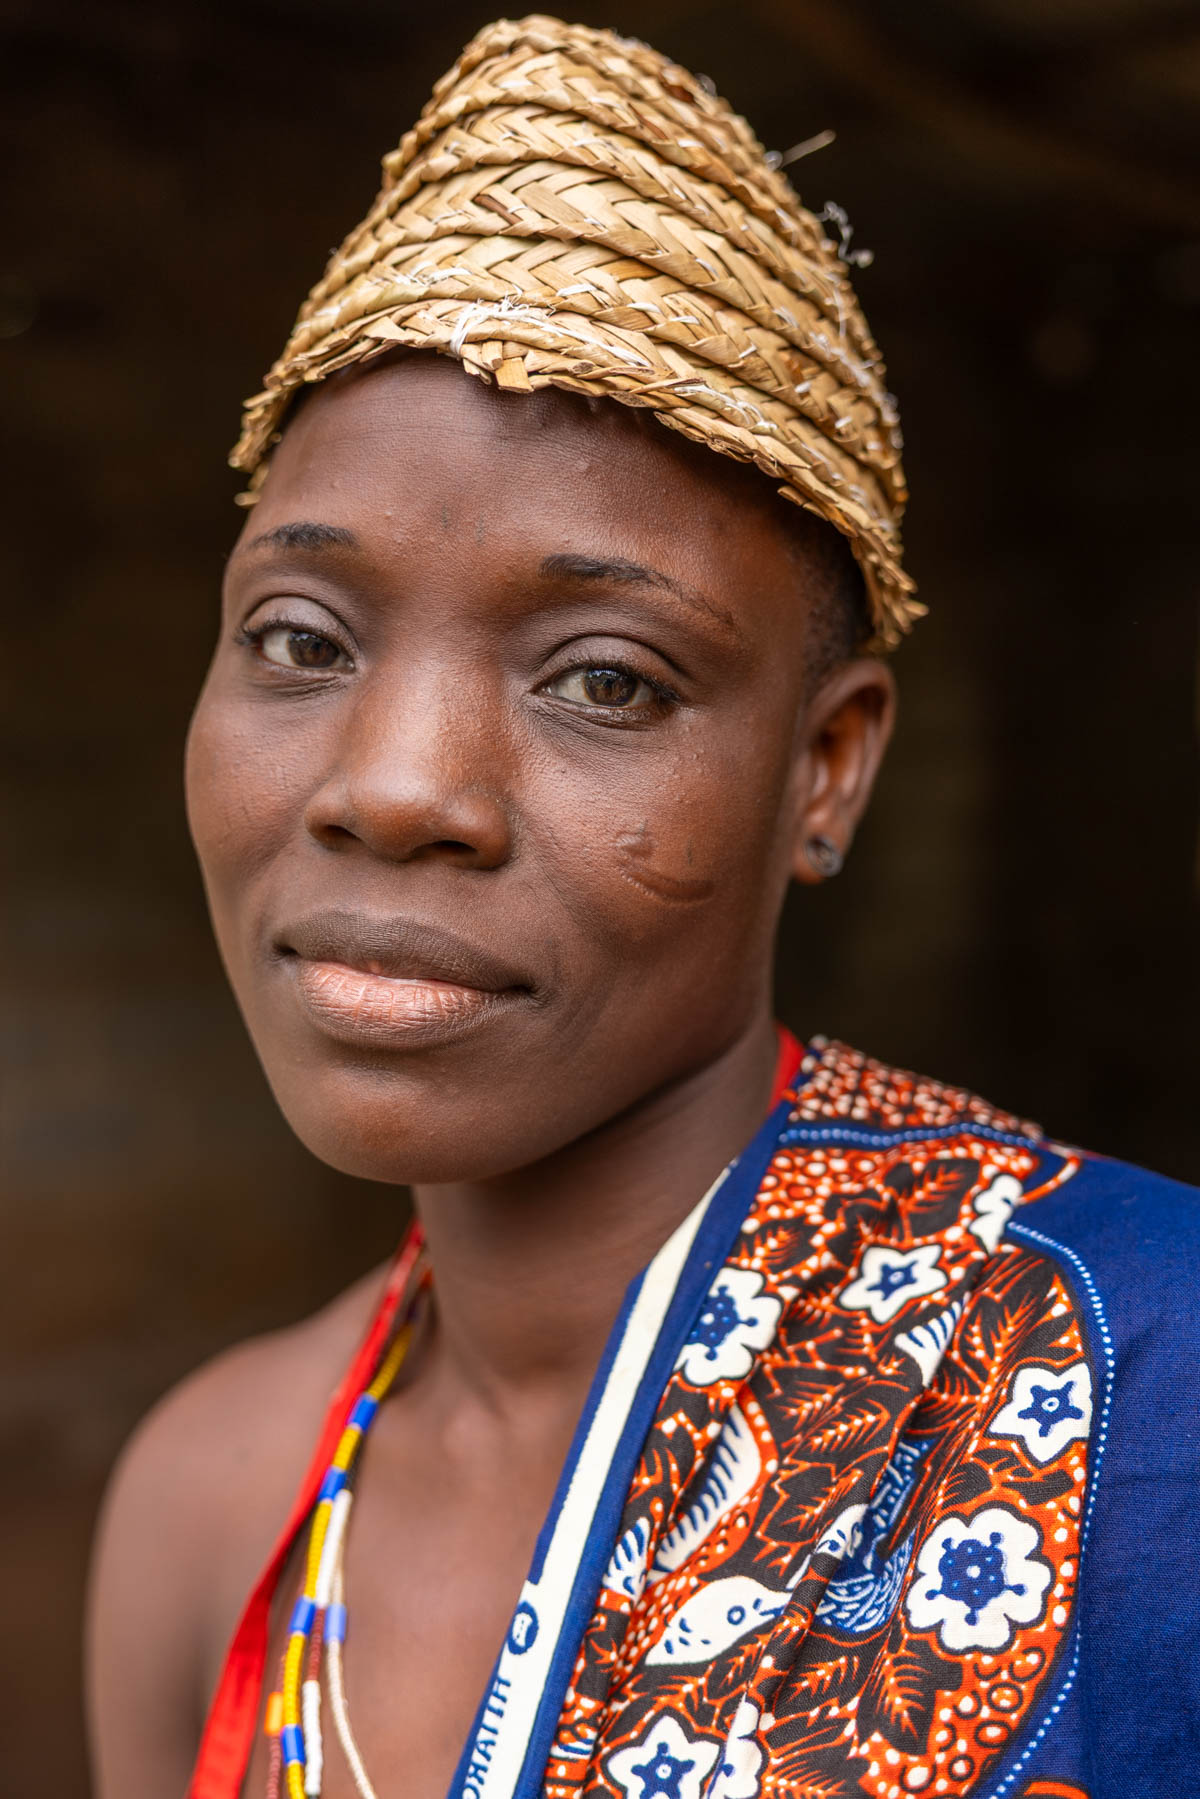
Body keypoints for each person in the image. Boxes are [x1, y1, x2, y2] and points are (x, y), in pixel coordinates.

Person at [85, 17, 1198, 1799]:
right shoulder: (214, 1510)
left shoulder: (1147, 1385)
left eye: (604, 680)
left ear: (824, 768)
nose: (394, 787)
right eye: (300, 642)